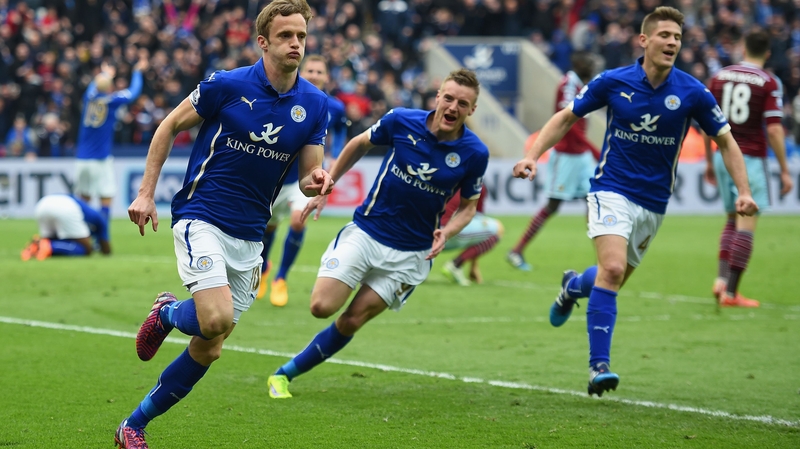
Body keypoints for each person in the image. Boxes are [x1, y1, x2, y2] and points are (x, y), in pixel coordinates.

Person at [116, 1, 333, 447]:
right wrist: (146, 192)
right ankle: (168, 312)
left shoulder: (315, 104)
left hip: (250, 235)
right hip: (203, 216)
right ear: (263, 42)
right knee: (214, 319)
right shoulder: (227, 85)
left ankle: (132, 426)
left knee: (210, 345)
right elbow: (169, 126)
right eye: (286, 36)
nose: (296, 43)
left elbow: (308, 175)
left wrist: (318, 180)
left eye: (301, 36)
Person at [512, 6, 758, 397]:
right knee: (611, 269)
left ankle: (572, 286)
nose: (673, 43)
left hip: (653, 203)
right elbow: (567, 117)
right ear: (644, 40)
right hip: (610, 189)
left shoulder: (692, 91)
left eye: (678, 37)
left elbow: (726, 141)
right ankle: (599, 368)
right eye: (665, 35)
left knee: (610, 279)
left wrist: (744, 191)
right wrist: (532, 155)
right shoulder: (613, 81)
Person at [266, 68, 489, 399]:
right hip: (368, 232)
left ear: (472, 109)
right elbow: (358, 143)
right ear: (438, 97)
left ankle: (284, 374)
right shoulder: (402, 120)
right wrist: (329, 184)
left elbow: (469, 207)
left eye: (463, 103)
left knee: (352, 320)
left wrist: (448, 231)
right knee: (321, 306)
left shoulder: (475, 153)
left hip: (412, 254)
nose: (453, 107)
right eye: (449, 98)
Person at [704, 28, 794, 308]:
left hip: (722, 155)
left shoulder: (719, 76)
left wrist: (708, 161)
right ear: (767, 53)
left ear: (743, 49)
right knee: (746, 223)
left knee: (732, 218)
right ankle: (732, 294)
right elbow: (775, 129)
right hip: (750, 158)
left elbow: (707, 123)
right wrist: (784, 169)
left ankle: (721, 280)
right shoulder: (769, 82)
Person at [256, 54, 347, 307]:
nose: (315, 76)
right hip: (278, 176)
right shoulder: (286, 97)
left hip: (306, 175)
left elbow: (340, 131)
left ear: (327, 77)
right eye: (311, 71)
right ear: (301, 72)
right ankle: (263, 270)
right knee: (268, 228)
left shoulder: (334, 107)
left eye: (320, 72)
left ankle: (281, 278)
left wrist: (334, 156)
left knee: (298, 220)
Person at [506, 51, 600, 271]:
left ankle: (602, 258)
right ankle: (516, 250)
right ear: (578, 63)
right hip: (566, 155)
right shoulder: (568, 85)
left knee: (594, 201)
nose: (593, 65)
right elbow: (566, 123)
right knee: (553, 205)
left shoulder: (581, 84)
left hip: (581, 156)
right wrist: (594, 149)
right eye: (589, 61)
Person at [75, 58, 145, 223]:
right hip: (100, 159)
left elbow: (94, 86)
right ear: (110, 88)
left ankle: (83, 231)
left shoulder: (88, 98)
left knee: (84, 198)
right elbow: (134, 92)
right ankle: (103, 233)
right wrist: (137, 72)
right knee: (106, 196)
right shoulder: (112, 100)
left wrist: (105, 73)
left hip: (81, 159)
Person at [440, 185, 504, 286]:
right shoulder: (477, 184)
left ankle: (419, 267)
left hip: (431, 238)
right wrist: (474, 266)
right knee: (498, 228)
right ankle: (456, 265)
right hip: (450, 232)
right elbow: (475, 217)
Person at [20, 194, 111, 261]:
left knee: (49, 240)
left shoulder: (87, 211)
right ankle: (51, 246)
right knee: (84, 249)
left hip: (43, 204)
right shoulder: (101, 220)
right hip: (66, 207)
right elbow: (105, 248)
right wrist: (99, 250)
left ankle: (35, 246)